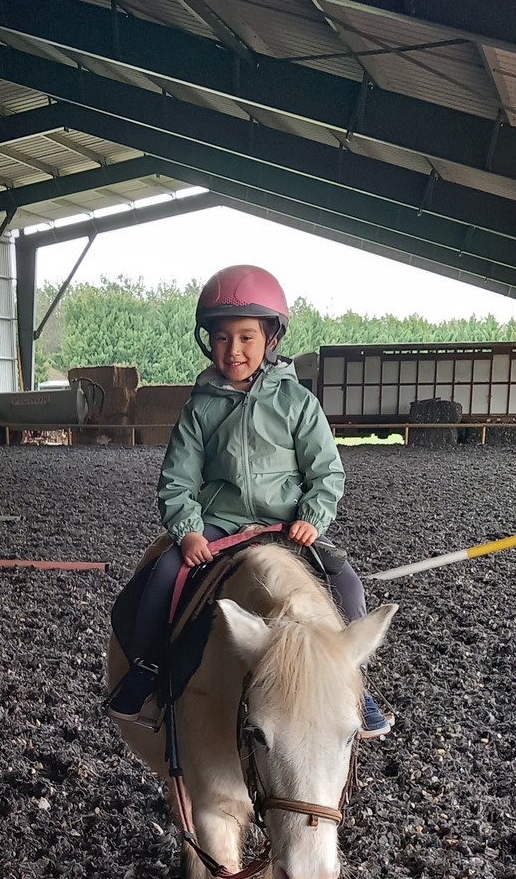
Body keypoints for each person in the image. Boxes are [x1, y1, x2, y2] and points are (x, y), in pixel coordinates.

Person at [108, 264, 393, 738]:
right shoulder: (199, 409)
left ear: (271, 339)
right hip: (221, 522)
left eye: (246, 338)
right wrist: (189, 530)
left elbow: (326, 472)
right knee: (162, 576)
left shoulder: (298, 404)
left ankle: (352, 683)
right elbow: (177, 478)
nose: (233, 350)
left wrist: (312, 518)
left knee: (347, 586)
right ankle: (146, 669)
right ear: (208, 341)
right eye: (221, 338)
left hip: (286, 524)